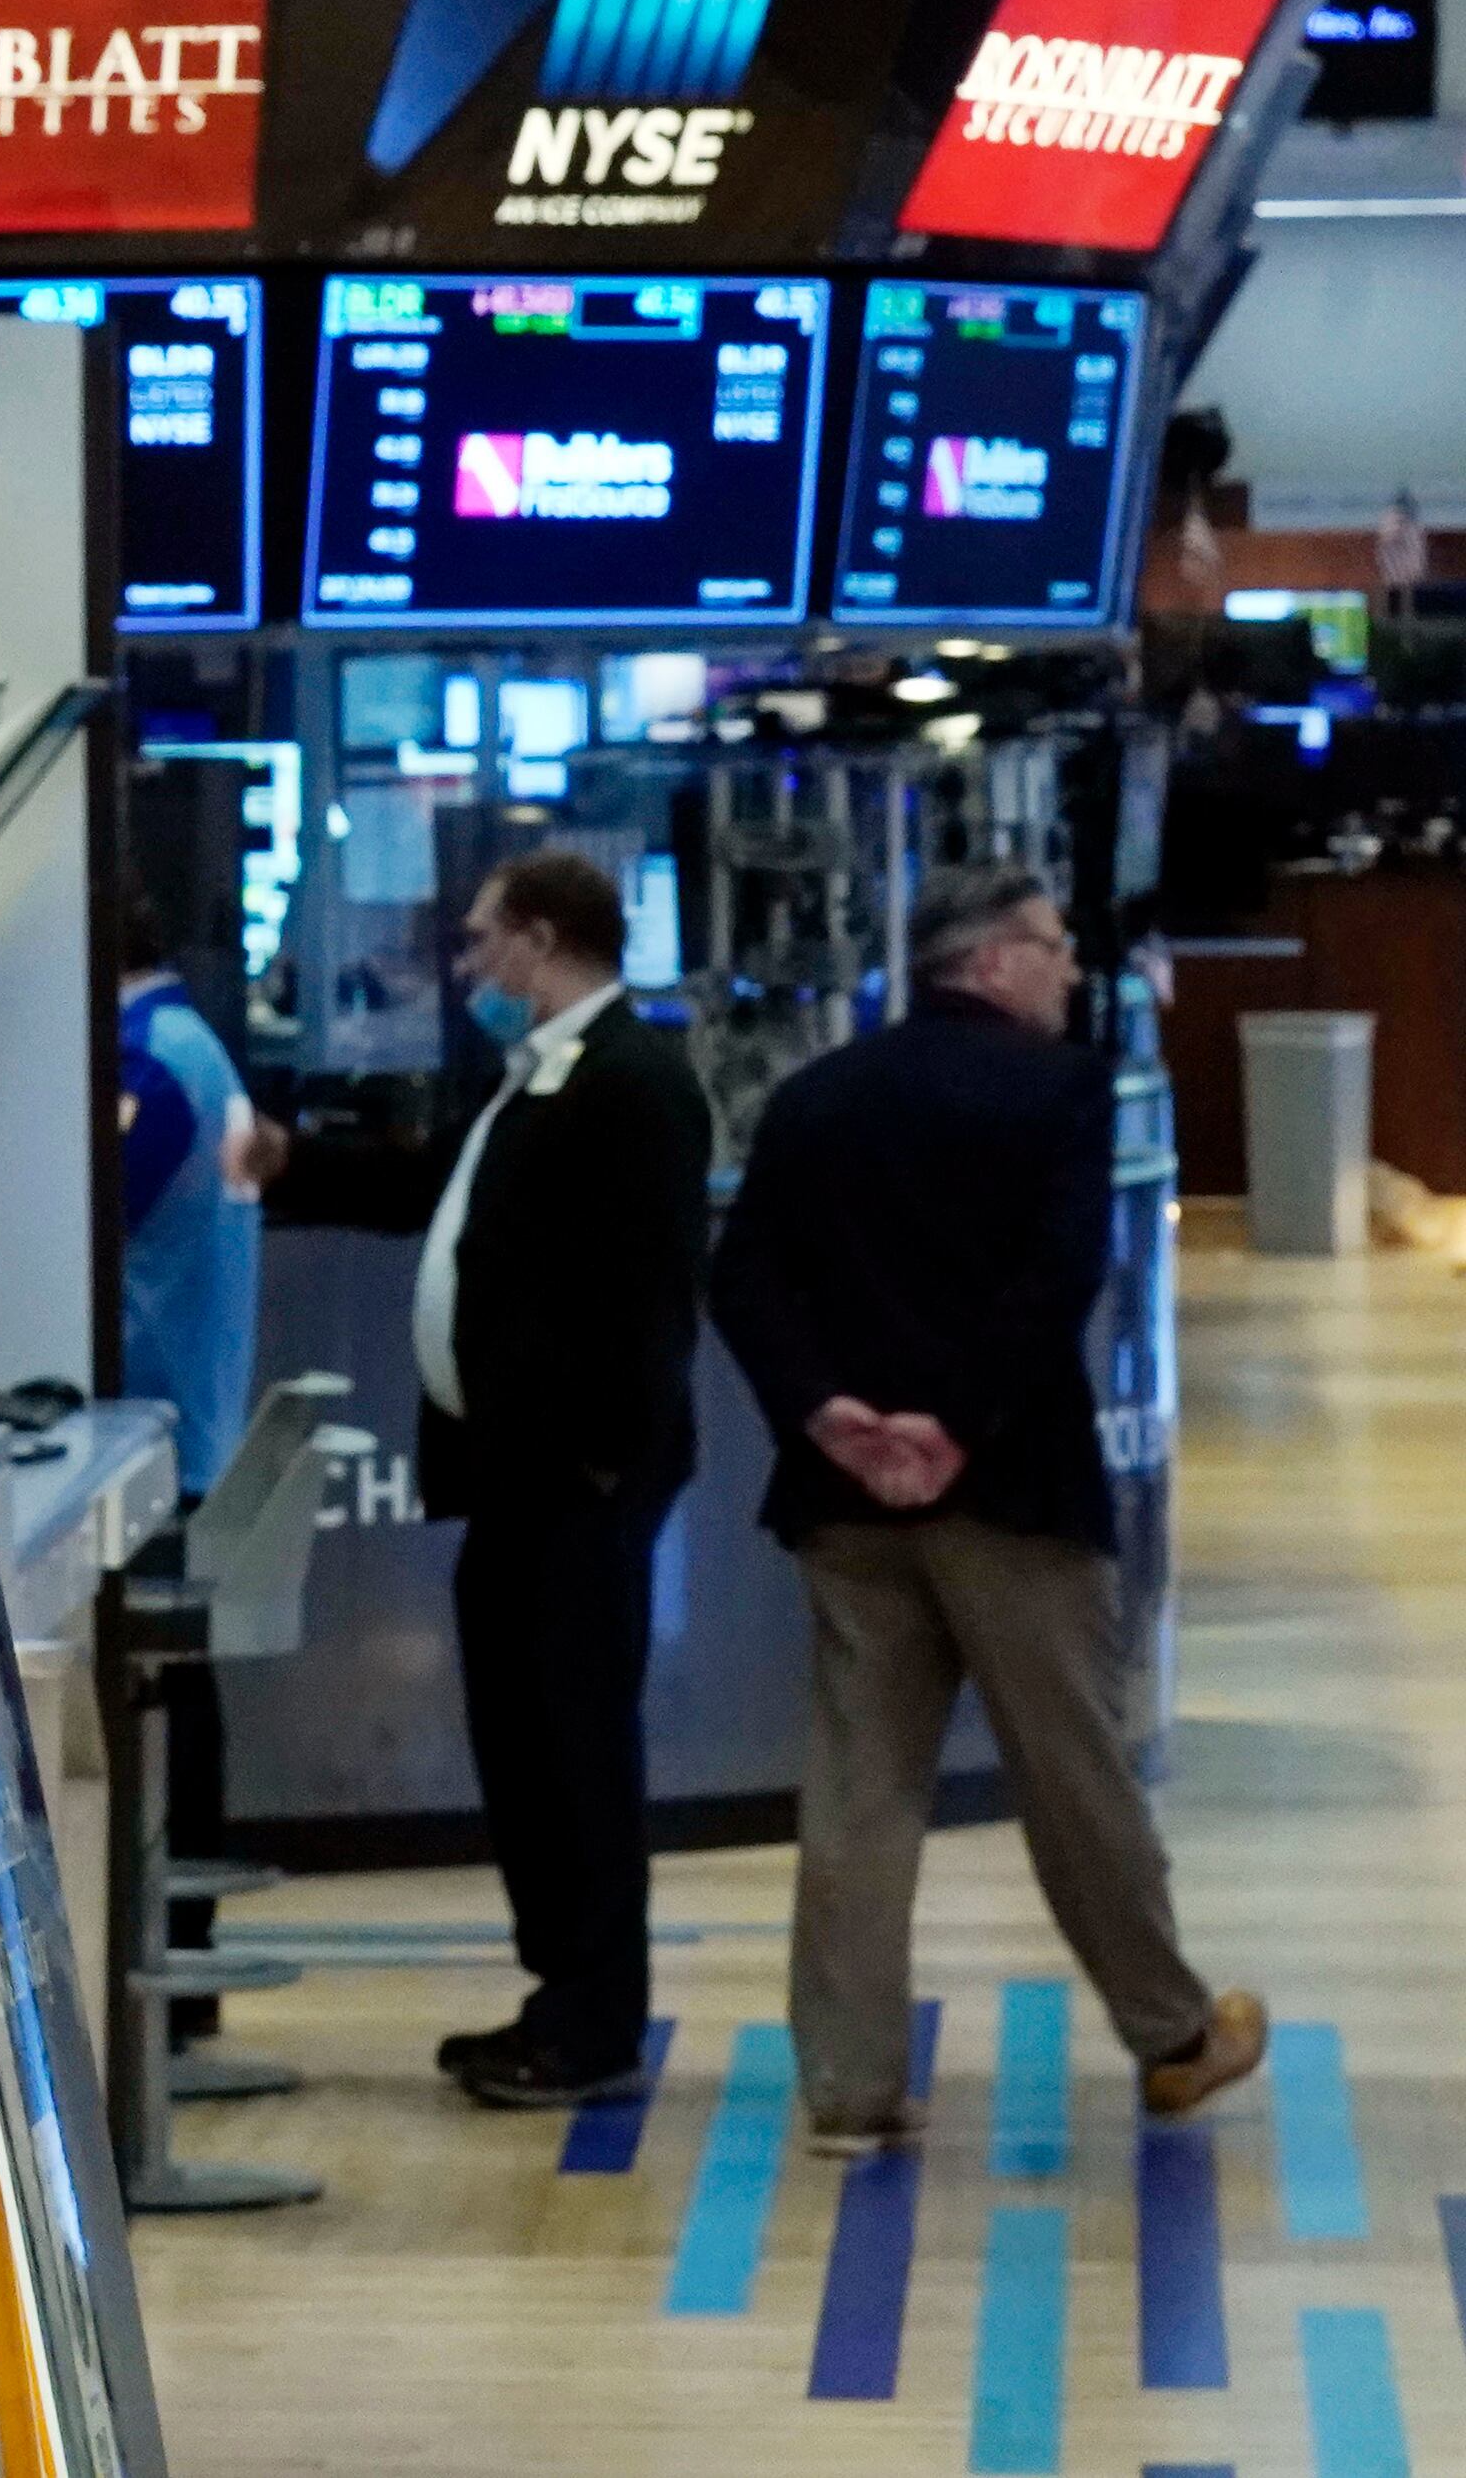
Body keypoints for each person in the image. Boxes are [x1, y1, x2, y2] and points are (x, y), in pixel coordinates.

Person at [710, 861, 1269, 2155]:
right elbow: (1056, 1279)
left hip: (845, 1504)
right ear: (996, 960)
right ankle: (1173, 2035)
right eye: (1057, 948)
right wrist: (952, 1426)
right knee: (1076, 1776)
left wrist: (832, 1415)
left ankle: (848, 2090)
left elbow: (743, 1280)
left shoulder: (814, 1097)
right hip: (1010, 1491)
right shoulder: (1062, 1095)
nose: (1073, 971)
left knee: (858, 1792)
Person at [414, 849, 714, 2111]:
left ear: (540, 941)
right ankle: (555, 1992)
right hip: (511, 1480)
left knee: (578, 1752)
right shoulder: (533, 1080)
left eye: (483, 938)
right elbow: (460, 1211)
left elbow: (646, 1293)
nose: (470, 963)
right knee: (522, 1745)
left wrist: (596, 1455)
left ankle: (594, 2019)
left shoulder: (632, 1083)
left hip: (575, 1484)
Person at [116, 890, 278, 1495]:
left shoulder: (145, 1060)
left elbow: (90, 1232)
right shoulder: (182, 1039)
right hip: (188, 1414)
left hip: (156, 1422)